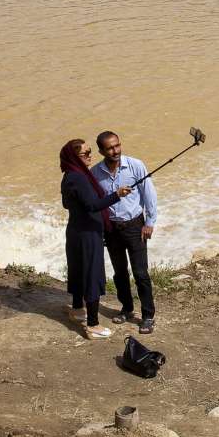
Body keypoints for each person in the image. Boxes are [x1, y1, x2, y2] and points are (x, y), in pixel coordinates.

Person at [59, 138, 133, 339]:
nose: (91, 156)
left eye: (90, 151)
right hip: (88, 234)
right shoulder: (80, 178)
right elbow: (93, 205)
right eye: (85, 153)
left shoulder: (69, 176)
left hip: (75, 231)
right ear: (75, 157)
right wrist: (117, 194)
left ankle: (77, 310)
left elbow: (67, 204)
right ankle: (92, 325)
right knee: (92, 276)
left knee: (78, 271)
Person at [91, 131, 160, 335]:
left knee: (140, 273)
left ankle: (147, 315)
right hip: (112, 229)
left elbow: (150, 195)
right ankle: (127, 308)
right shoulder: (95, 173)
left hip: (135, 226)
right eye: (110, 148)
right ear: (101, 151)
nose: (115, 151)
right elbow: (97, 203)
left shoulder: (135, 165)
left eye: (117, 146)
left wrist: (149, 222)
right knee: (120, 272)